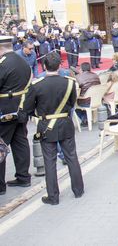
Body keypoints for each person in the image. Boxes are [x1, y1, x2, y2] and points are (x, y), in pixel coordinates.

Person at [23, 53, 84, 204]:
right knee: (72, 157)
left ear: (44, 66)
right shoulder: (69, 82)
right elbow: (71, 103)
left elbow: (28, 108)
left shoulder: (37, 85)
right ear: (59, 66)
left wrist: (41, 113)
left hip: (46, 125)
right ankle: (78, 190)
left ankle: (53, 196)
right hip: (64, 122)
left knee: (49, 162)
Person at [0, 36, 33, 194]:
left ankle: (0, 185)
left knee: (1, 145)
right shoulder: (23, 62)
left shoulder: (3, 64)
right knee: (20, 142)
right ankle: (23, 176)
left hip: (4, 110)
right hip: (21, 107)